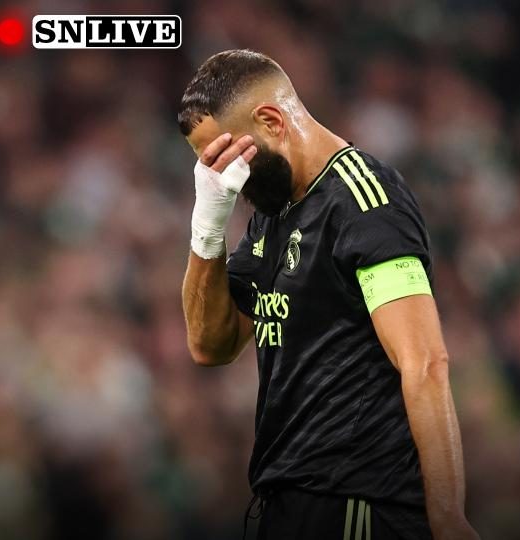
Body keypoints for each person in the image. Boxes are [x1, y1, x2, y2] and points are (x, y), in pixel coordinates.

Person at [178, 49, 478, 540]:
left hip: (356, 504)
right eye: (208, 165)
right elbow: (210, 345)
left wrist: (447, 516)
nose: (224, 176)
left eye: (226, 156)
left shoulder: (365, 201)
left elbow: (424, 361)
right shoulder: (272, 216)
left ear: (271, 121)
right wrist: (207, 229)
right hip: (288, 503)